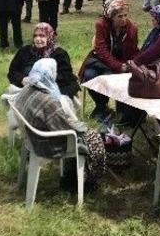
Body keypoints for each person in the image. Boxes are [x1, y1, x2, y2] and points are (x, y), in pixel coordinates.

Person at [11, 59, 105, 187]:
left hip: (31, 136)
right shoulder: (47, 100)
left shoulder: (28, 88)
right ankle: (90, 179)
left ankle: (77, 174)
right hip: (46, 143)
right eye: (54, 71)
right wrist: (82, 127)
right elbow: (65, 128)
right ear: (49, 74)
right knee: (94, 138)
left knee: (86, 132)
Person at [80, 0, 140, 121]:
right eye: (119, 16)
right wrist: (117, 66)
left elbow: (133, 51)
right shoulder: (101, 25)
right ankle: (101, 106)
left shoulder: (132, 29)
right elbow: (101, 49)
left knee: (110, 78)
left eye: (125, 15)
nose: (124, 19)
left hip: (122, 62)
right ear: (111, 16)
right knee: (89, 75)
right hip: (100, 61)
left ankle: (116, 111)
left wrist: (128, 65)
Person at [8, 23, 80, 97]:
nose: (38, 39)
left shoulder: (59, 53)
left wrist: (43, 79)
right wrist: (22, 79)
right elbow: (12, 71)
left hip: (53, 88)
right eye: (35, 36)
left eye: (42, 36)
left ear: (50, 37)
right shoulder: (25, 51)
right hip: (27, 87)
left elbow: (66, 75)